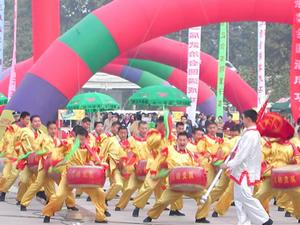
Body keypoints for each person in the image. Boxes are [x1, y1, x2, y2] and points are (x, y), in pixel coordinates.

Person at [42, 126, 107, 223]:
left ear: (86, 138)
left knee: (99, 193)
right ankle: (48, 213)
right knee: (59, 196)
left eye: (83, 139)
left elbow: (91, 160)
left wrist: (91, 163)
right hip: (69, 175)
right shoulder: (69, 143)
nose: (81, 141)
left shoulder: (88, 147)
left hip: (83, 175)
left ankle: (100, 216)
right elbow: (57, 151)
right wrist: (54, 159)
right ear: (75, 137)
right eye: (79, 138)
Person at [143, 132, 211, 223]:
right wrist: (154, 172)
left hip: (189, 184)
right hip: (174, 184)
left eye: (184, 140)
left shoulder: (191, 154)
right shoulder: (168, 150)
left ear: (188, 141)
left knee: (206, 196)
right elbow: (157, 161)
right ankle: (150, 216)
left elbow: (198, 165)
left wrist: (206, 158)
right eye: (180, 140)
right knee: (162, 202)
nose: (182, 142)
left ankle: (201, 217)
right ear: (177, 140)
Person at [220, 109, 273, 225]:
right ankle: (243, 223)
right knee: (239, 201)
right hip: (241, 171)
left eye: (243, 118)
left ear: (248, 119)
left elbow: (241, 155)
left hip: (245, 172)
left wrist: (227, 165)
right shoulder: (248, 133)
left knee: (246, 197)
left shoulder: (251, 135)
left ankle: (264, 219)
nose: (241, 120)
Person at [0, 111, 30, 202]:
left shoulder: (28, 130)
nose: (28, 121)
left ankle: (4, 193)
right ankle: (2, 190)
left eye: (29, 119)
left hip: (21, 157)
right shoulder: (12, 127)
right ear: (21, 119)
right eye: (27, 119)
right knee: (5, 176)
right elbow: (6, 139)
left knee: (15, 175)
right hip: (11, 155)